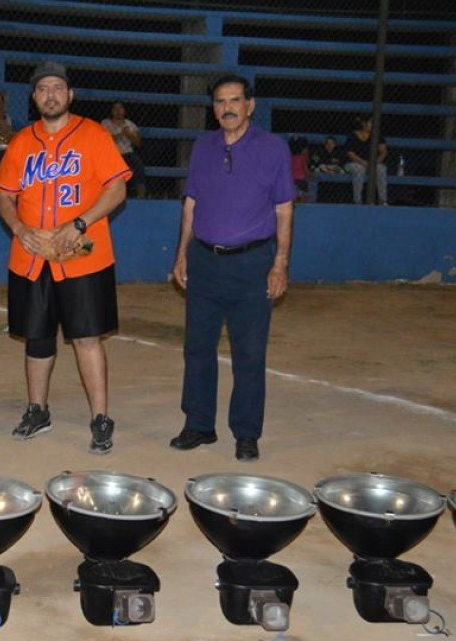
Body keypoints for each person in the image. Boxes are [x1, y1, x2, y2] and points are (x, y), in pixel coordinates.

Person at [0, 61, 131, 455]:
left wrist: (82, 223)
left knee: (86, 336)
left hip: (83, 255)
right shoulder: (22, 141)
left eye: (58, 88)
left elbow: (117, 189)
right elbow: (4, 194)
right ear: (34, 98)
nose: (50, 95)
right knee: (36, 338)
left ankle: (101, 417)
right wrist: (19, 229)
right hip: (32, 255)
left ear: (69, 95)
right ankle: (38, 409)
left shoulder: (93, 135)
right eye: (42, 89)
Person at [169, 74, 294, 462]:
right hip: (205, 260)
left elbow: (284, 209)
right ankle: (199, 425)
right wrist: (182, 254)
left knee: (249, 354)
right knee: (198, 348)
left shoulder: (273, 149)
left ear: (250, 105)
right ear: (214, 108)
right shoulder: (202, 148)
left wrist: (280, 264)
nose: (228, 108)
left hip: (253, 263)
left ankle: (246, 432)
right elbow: (191, 204)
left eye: (235, 100)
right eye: (221, 101)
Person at [101, 101, 147, 198]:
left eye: (120, 108)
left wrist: (130, 135)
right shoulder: (106, 123)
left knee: (137, 164)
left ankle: (141, 194)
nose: (118, 111)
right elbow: (103, 140)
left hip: (127, 154)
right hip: (111, 154)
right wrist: (120, 135)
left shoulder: (130, 124)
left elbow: (138, 143)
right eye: (115, 109)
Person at [343, 116, 387, 205]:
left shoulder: (378, 136)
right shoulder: (353, 136)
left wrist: (374, 163)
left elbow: (383, 152)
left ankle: (383, 200)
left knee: (381, 169)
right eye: (371, 123)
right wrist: (363, 163)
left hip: (373, 163)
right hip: (354, 163)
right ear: (364, 124)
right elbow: (350, 154)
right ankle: (357, 201)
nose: (373, 125)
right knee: (359, 169)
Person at [289, 136, 312, 203]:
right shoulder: (303, 158)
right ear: (303, 149)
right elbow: (305, 170)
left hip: (291, 180)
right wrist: (311, 176)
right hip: (301, 180)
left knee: (294, 196)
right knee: (305, 195)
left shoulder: (291, 157)